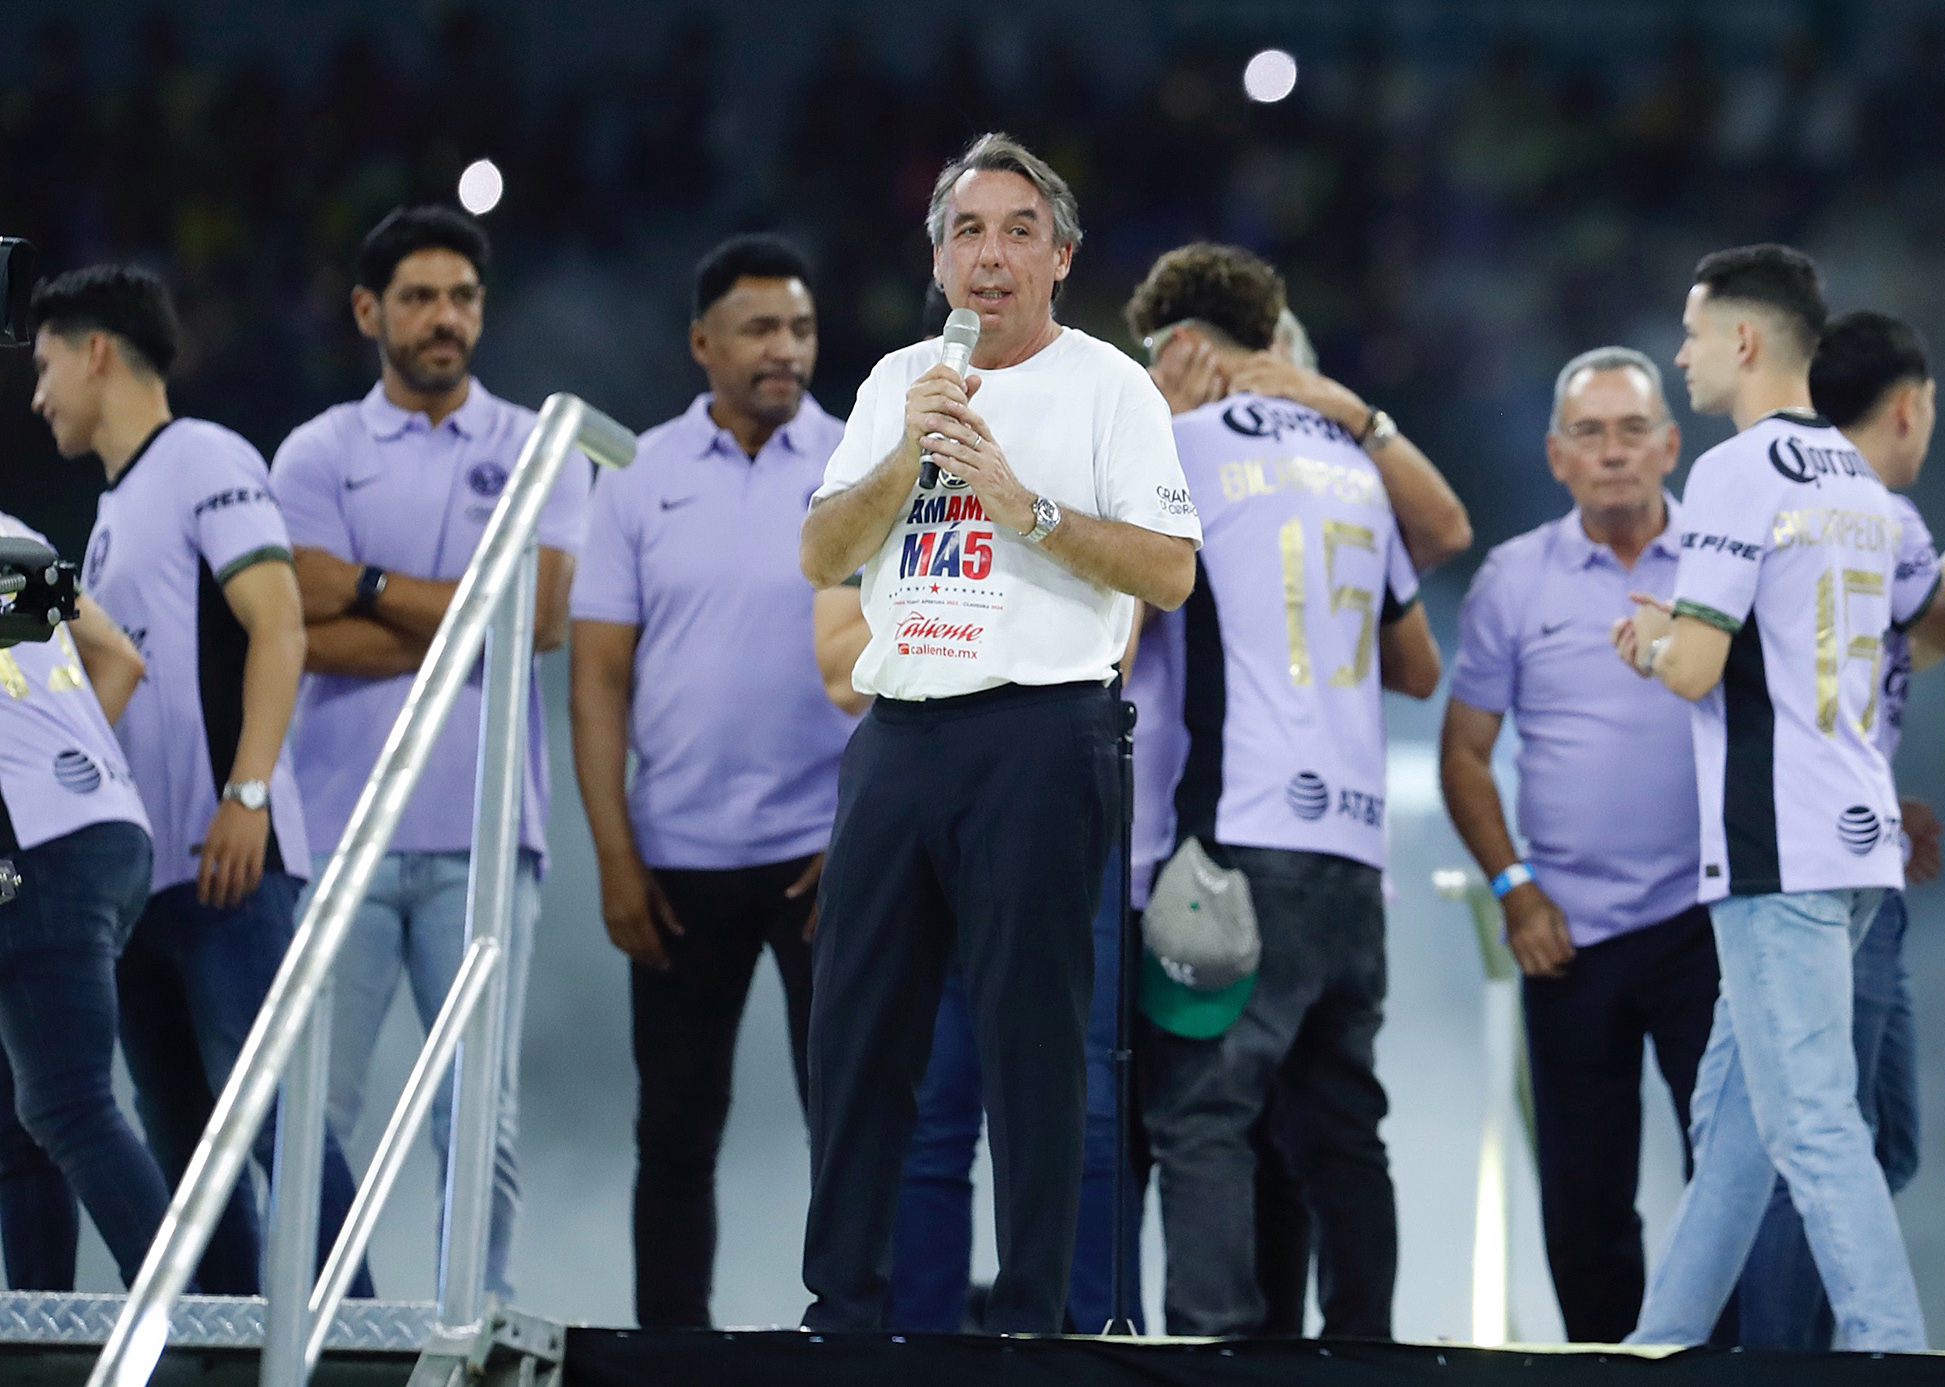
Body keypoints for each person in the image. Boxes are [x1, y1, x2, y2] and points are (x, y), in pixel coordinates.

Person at [796, 132, 1201, 1334]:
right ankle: (844, 1310)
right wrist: (907, 458)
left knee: (1031, 1047)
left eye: (1017, 229)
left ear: (1060, 257)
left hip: (1040, 730)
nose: (990, 254)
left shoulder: (1110, 387)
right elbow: (819, 552)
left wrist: (1017, 506)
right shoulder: (894, 382)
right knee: (854, 1034)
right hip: (899, 736)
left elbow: (1169, 571)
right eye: (967, 231)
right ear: (937, 259)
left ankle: (1033, 1319)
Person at [30, 265, 371, 1298]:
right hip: (143, 887)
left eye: (44, 366)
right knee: (186, 1155)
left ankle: (360, 1339)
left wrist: (249, 794)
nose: (36, 395)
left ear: (98, 352)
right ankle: (225, 1358)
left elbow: (279, 621)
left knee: (270, 1119)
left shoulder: (204, 456)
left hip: (228, 863)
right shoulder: (109, 513)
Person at [1124, 243, 1442, 1338]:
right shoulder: (1353, 463)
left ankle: (1213, 1356)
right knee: (1342, 1121)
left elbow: (1106, 634)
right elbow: (1420, 658)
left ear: (1180, 350)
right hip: (1353, 852)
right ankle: (1363, 1353)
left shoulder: (1178, 448)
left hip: (1234, 838)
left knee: (1200, 1111)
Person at [272, 207, 589, 1302]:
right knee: (308, 1113)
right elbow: (297, 624)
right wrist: (464, 613)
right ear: (368, 312)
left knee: (476, 1114)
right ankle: (312, 1322)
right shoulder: (316, 452)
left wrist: (361, 584)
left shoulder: (541, 442)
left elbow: (540, 619)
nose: (443, 317)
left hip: (487, 831)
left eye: (461, 297)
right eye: (417, 297)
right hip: (338, 832)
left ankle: (472, 1320)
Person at [1613, 244, 1926, 1351]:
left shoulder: (1740, 471)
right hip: (1851, 839)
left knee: (1809, 1124)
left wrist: (1650, 636)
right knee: (1738, 1127)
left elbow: (1695, 669)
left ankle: (1890, 1350)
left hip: (1773, 845)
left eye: (1693, 333)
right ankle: (1662, 1345)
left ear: (1743, 341)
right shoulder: (1855, 478)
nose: (1682, 353)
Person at [568, 234, 852, 1328]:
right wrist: (614, 856)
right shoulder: (637, 477)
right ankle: (668, 1352)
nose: (786, 350)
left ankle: (851, 1342)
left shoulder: (858, 465)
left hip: (822, 856)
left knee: (852, 1123)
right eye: (759, 330)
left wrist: (863, 835)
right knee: (675, 1135)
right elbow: (597, 681)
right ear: (701, 343)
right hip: (676, 859)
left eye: (800, 329)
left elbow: (906, 656)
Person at [1439, 346, 1714, 1343]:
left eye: (1632, 429)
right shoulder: (1513, 580)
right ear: (1556, 456)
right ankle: (1604, 1373)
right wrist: (1513, 889)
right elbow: (1464, 755)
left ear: (1669, 445)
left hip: (1707, 924)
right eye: (1589, 434)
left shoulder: (1724, 566)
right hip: (1564, 932)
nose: (1612, 453)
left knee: (1728, 1179)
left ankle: (1722, 1374)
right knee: (1585, 1201)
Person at [1736, 309, 1945, 1347]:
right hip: (1820, 855)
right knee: (1823, 1139)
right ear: (1906, 405)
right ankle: (1795, 1358)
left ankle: (1770, 1346)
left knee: (1852, 1136)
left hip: (1831, 837)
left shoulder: (1788, 493)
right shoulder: (1880, 515)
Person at [0, 504, 169, 1289]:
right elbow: (118, 659)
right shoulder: (10, 533)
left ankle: (198, 1337)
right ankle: (39, 1343)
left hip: (34, 851)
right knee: (23, 1125)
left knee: (66, 1104)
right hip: (107, 829)